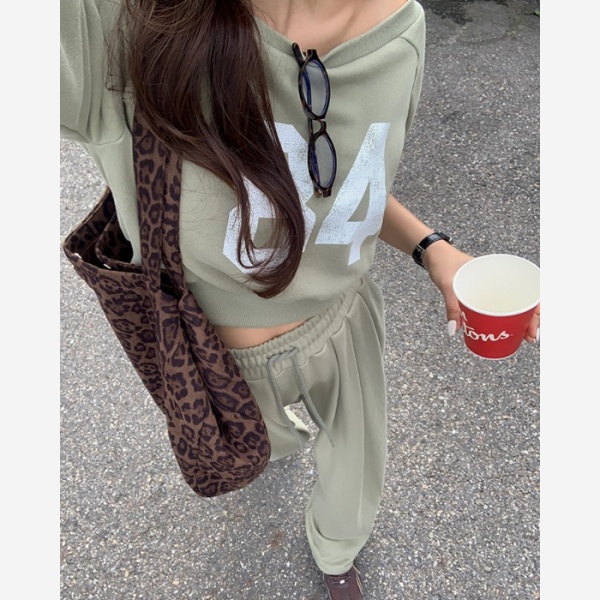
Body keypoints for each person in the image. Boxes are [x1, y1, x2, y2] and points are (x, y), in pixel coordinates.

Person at [60, 0, 540, 598]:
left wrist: (432, 249)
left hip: (345, 323)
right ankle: (278, 443)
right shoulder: (120, 25)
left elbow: (345, 186)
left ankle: (335, 556)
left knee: (356, 480)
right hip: (213, 359)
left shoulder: (401, 31)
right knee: (264, 447)